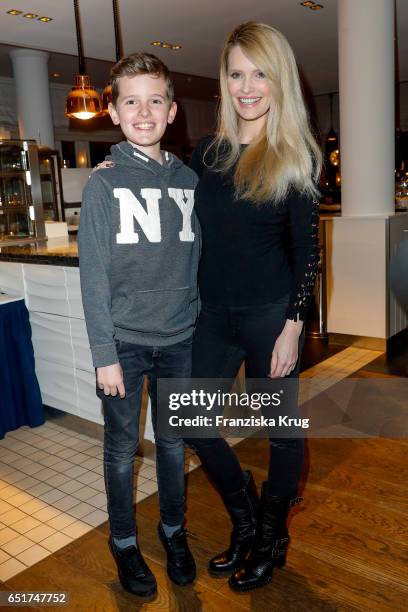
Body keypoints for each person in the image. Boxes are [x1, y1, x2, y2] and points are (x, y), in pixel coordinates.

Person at [185, 21, 322, 592]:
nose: (247, 86)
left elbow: (309, 253)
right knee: (190, 420)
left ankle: (271, 536)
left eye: (259, 73)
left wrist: (293, 327)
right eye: (237, 73)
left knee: (282, 434)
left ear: (278, 80)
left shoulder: (293, 156)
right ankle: (244, 516)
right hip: (212, 314)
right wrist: (119, 174)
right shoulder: (206, 153)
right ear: (225, 80)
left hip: (270, 314)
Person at [78, 52, 200, 597]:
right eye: (132, 101)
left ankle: (173, 531)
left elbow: (201, 262)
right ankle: (124, 542)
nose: (144, 111)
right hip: (124, 342)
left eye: (156, 100)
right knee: (122, 447)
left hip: (181, 339)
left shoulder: (190, 180)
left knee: (173, 444)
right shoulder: (103, 186)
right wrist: (104, 353)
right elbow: (94, 277)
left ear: (172, 111)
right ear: (114, 110)